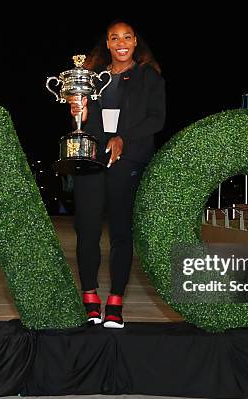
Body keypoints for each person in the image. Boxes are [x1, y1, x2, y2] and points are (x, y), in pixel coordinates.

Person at [67, 20, 166, 329]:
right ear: (107, 44)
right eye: (114, 38)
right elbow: (82, 119)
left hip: (130, 159)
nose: (121, 42)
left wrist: (123, 137)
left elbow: (156, 119)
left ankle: (115, 302)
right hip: (92, 159)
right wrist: (77, 113)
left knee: (122, 233)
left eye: (127, 37)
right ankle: (90, 296)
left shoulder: (149, 77)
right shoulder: (95, 77)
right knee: (87, 231)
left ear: (135, 42)